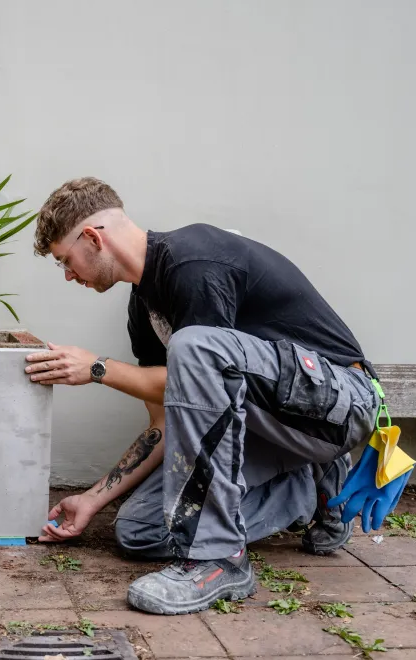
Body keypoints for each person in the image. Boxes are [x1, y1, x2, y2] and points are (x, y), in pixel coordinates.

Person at [24, 177, 380, 615]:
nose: (68, 274)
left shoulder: (194, 260)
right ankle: (303, 483)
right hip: (273, 427)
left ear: (93, 238)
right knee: (139, 530)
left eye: (66, 260)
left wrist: (98, 369)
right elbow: (166, 422)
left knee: (194, 347)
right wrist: (93, 499)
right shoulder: (143, 308)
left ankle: (219, 559)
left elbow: (201, 369)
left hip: (339, 406)